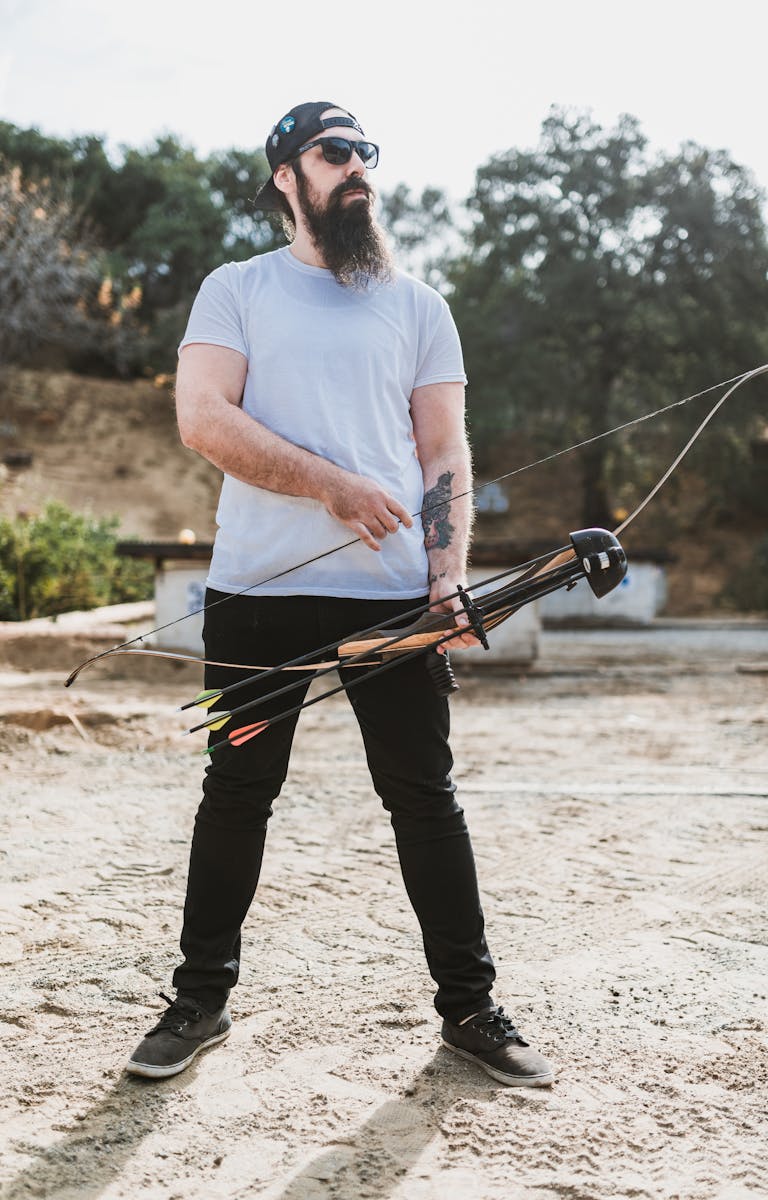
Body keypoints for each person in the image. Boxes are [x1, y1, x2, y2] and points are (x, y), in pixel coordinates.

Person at [126, 101, 554, 1089]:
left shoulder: (417, 306)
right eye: (334, 151)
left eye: (366, 150)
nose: (356, 164)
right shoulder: (236, 290)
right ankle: (198, 1002)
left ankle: (470, 1010)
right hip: (254, 596)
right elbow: (201, 418)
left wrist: (445, 576)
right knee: (235, 794)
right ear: (288, 175)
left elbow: (442, 450)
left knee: (423, 801)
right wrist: (330, 483)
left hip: (395, 599)